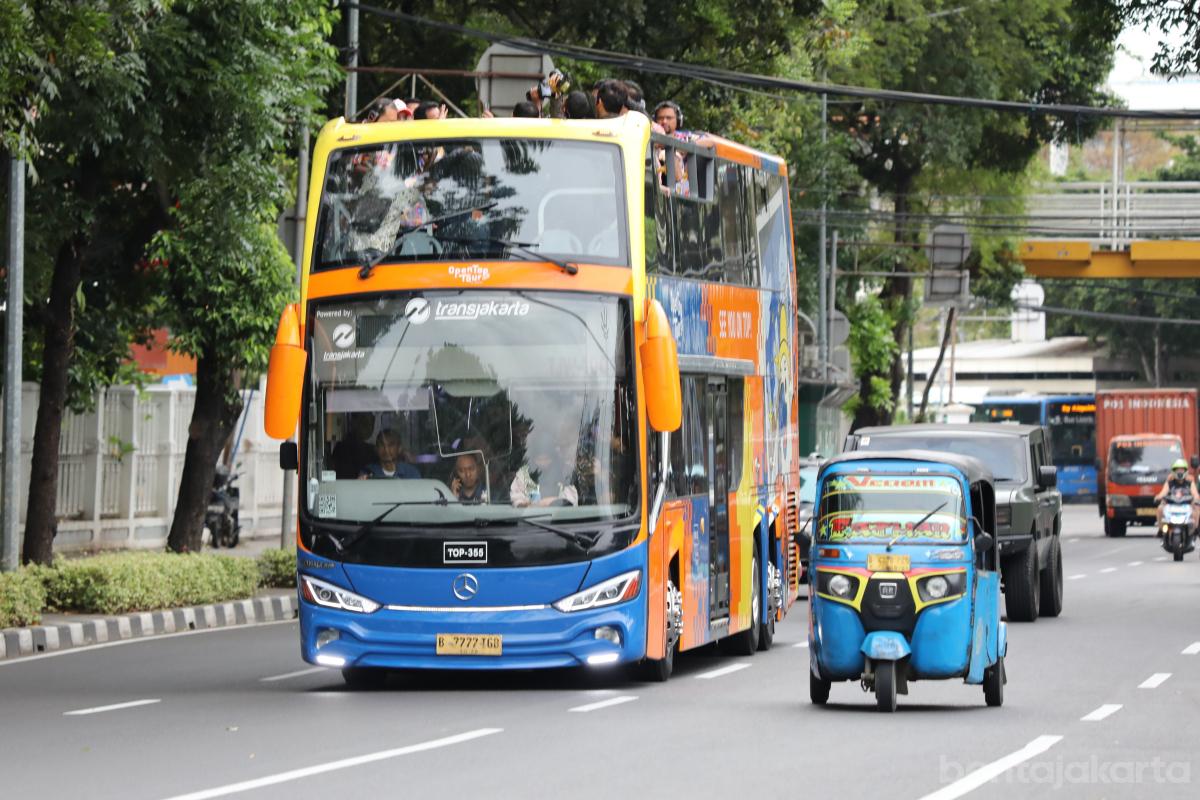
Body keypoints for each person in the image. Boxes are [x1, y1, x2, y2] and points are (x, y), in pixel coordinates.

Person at [510, 430, 579, 507]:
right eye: (539, 459)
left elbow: (573, 498)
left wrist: (552, 501)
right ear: (533, 457)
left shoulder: (565, 471)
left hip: (559, 516)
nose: (543, 463)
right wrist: (523, 504)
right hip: (531, 517)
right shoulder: (524, 473)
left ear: (553, 456)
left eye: (546, 459)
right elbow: (516, 495)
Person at [1154, 458, 1200, 529]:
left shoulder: (1190, 483)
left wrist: (1196, 499)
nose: (1180, 472)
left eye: (1181, 469)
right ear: (1174, 471)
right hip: (1171, 505)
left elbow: (1195, 494)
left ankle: (1194, 529)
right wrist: (1158, 497)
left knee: (1197, 509)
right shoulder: (1169, 483)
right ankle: (1161, 530)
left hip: (1186, 506)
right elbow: (1163, 493)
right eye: (1177, 470)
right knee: (1160, 508)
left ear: (1185, 471)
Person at [330, 413, 377, 479]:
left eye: (372, 424)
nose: (369, 427)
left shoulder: (372, 450)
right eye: (364, 423)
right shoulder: (343, 448)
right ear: (354, 423)